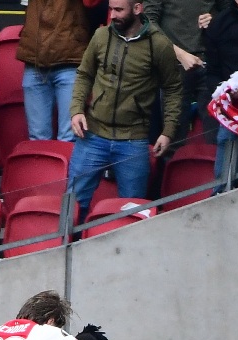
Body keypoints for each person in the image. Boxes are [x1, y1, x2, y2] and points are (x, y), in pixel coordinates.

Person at [67, 0, 183, 222]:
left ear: (137, 9)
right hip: (93, 134)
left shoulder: (159, 45)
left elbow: (173, 89)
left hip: (133, 139)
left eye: (119, 10)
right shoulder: (101, 36)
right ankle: (65, 251)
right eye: (111, 9)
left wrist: (168, 130)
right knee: (73, 203)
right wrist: (76, 110)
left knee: (132, 211)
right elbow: (84, 74)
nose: (112, 15)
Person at [144, 0, 226, 145]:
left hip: (210, 62)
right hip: (173, 63)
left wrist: (216, 20)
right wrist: (179, 54)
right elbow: (148, 22)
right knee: (172, 135)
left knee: (215, 137)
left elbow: (230, 12)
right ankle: (171, 166)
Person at [16, 0, 100, 142]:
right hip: (35, 60)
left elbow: (92, 4)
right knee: (38, 139)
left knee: (69, 136)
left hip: (70, 59)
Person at [204, 0, 238, 193]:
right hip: (233, 114)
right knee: (223, 188)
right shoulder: (219, 25)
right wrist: (224, 90)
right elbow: (211, 73)